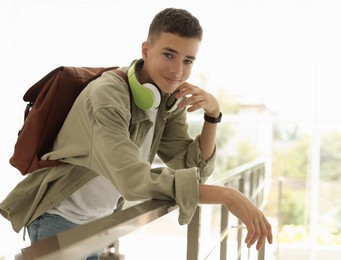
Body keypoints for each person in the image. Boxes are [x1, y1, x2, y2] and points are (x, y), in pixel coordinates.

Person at [0, 7, 272, 259]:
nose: (178, 71)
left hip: (99, 222)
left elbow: (195, 170)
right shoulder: (107, 97)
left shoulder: (166, 100)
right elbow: (133, 180)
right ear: (146, 50)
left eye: (188, 60)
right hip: (58, 220)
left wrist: (213, 115)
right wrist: (227, 195)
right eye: (169, 54)